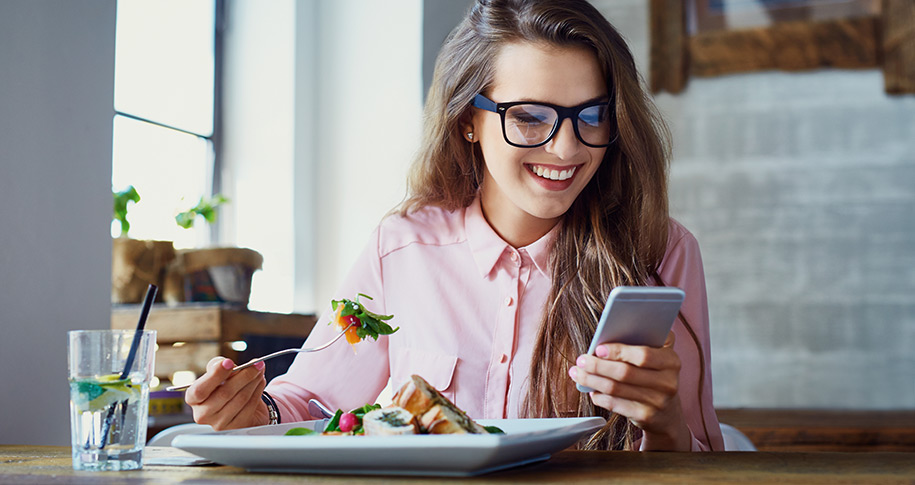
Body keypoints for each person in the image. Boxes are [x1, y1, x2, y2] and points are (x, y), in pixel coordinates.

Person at [185, 0, 724, 451]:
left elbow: (703, 458)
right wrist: (252, 413)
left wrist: (665, 420)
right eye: (529, 116)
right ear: (469, 119)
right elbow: (311, 402)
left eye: (591, 115)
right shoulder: (402, 247)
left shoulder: (661, 249)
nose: (566, 147)